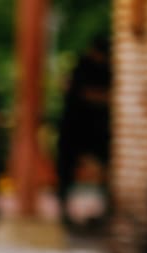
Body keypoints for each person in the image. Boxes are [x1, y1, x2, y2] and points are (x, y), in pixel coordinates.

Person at [56, 33, 111, 224]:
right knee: (66, 170)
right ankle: (64, 212)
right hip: (75, 125)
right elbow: (78, 92)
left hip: (97, 127)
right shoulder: (83, 66)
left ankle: (103, 212)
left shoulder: (107, 68)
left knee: (105, 169)